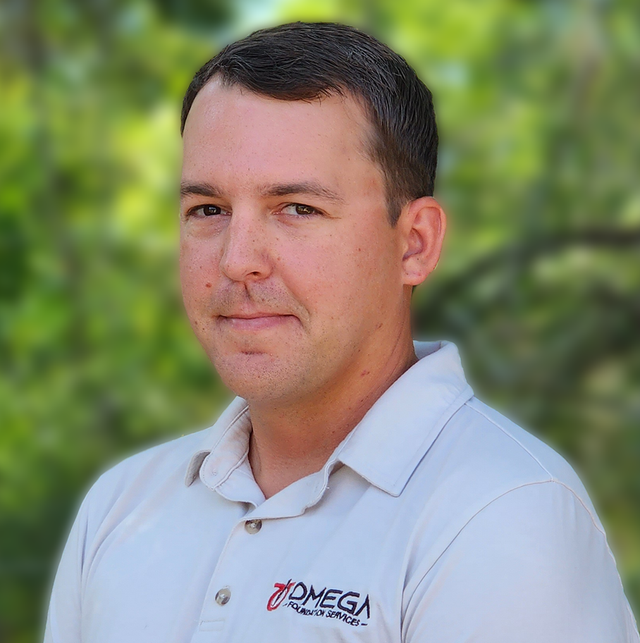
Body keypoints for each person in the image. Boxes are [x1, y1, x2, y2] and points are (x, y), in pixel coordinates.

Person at [44, 22, 639, 643]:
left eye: (297, 208)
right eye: (208, 210)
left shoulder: (501, 514)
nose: (237, 259)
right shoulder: (120, 507)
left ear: (414, 244)